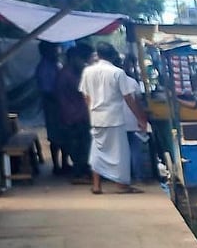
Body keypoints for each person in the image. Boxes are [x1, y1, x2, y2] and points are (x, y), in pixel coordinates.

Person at [79, 42, 148, 194]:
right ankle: (121, 185)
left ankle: (96, 185)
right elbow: (129, 99)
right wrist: (140, 119)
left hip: (96, 117)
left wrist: (92, 112)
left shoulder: (87, 72)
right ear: (112, 55)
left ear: (98, 55)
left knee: (97, 151)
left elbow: (86, 96)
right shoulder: (117, 73)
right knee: (120, 153)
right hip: (114, 118)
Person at [56, 42, 93, 184]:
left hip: (74, 115)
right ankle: (79, 174)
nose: (82, 62)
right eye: (81, 59)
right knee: (79, 146)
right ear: (73, 58)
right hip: (74, 116)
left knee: (80, 145)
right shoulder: (69, 75)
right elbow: (83, 90)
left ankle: (81, 172)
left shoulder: (66, 72)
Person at [35, 41, 67, 174]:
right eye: (54, 50)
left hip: (60, 104)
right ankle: (56, 165)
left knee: (64, 135)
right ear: (46, 51)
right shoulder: (44, 68)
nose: (57, 52)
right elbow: (47, 91)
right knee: (54, 136)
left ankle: (64, 163)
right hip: (53, 105)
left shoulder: (55, 65)